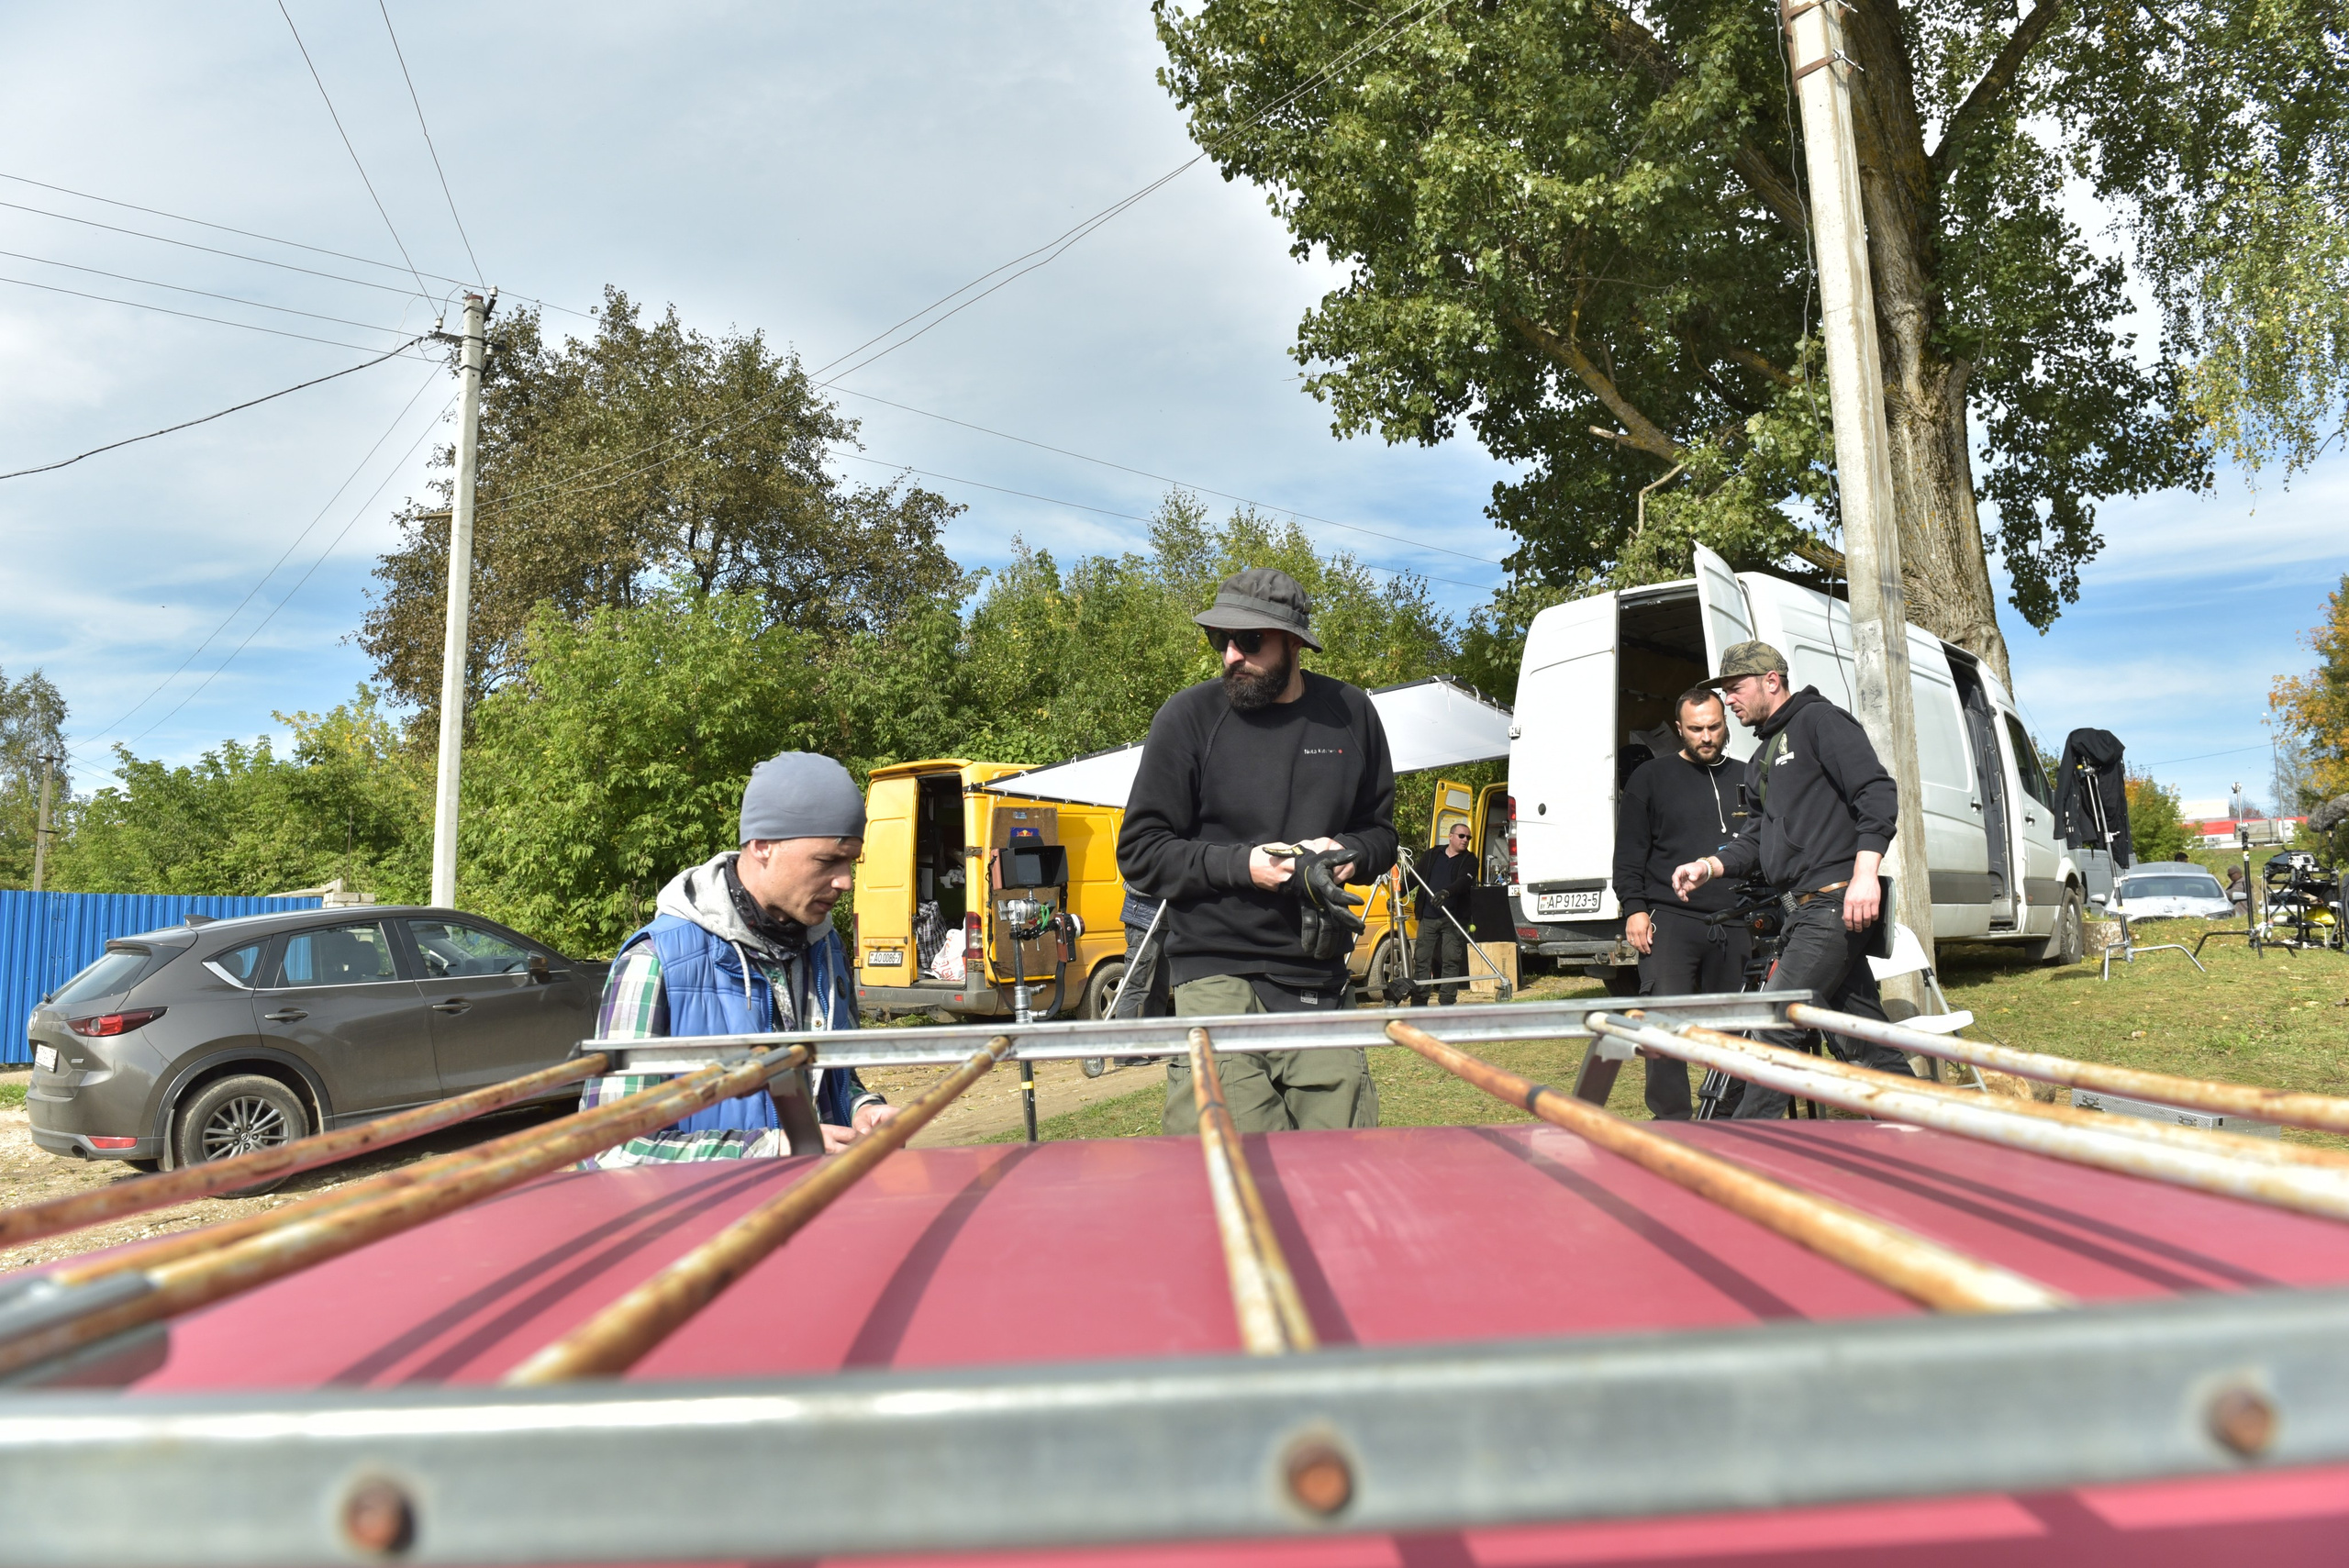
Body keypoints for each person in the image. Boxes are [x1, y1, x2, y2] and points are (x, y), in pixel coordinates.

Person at [1118, 566, 1397, 1134]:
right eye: (1220, 639)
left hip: (1319, 976)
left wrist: (1344, 854)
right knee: (1231, 1167)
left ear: (1294, 643)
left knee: (1344, 1171)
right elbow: (1141, 852)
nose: (1230, 656)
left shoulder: (1351, 713)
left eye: (1248, 640)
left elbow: (1381, 834)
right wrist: (1249, 867)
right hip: (1216, 971)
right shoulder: (1188, 718)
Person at [581, 751, 896, 1165]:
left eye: (850, 862)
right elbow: (607, 1148)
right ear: (763, 845)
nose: (844, 881)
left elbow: (832, 1080)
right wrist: (768, 1150)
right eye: (827, 860)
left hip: (819, 1206)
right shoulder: (656, 961)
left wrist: (863, 1110)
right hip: (715, 1222)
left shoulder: (826, 947)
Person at [1668, 642, 1918, 1119]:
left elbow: (1877, 792)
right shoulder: (1762, 756)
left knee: (1774, 1022)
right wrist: (1709, 866)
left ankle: (1751, 1154)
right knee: (1855, 1033)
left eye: (1735, 688)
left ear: (1771, 680)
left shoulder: (1821, 722)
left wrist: (1866, 874)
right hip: (1800, 910)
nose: (1730, 700)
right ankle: (1927, 1131)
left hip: (1836, 903)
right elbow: (1755, 836)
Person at [1613, 685, 1752, 1119]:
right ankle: (1671, 1120)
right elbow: (1629, 851)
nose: (1706, 736)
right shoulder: (1651, 778)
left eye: (1713, 727)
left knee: (1735, 1029)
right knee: (1663, 1024)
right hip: (1669, 920)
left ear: (1725, 723)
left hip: (1736, 921)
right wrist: (1634, 908)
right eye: (1695, 729)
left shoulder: (1750, 776)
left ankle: (1732, 1114)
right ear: (1679, 729)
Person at [1410, 821, 1476, 1006]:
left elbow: (1464, 881)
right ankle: (1419, 1000)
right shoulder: (1432, 855)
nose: (1465, 840)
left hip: (1453, 919)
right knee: (1422, 959)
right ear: (1451, 836)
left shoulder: (1470, 860)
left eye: (1468, 837)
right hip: (1428, 917)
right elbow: (1414, 876)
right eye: (1462, 836)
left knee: (1451, 959)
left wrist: (1446, 892)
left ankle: (1447, 1002)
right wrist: (1397, 893)